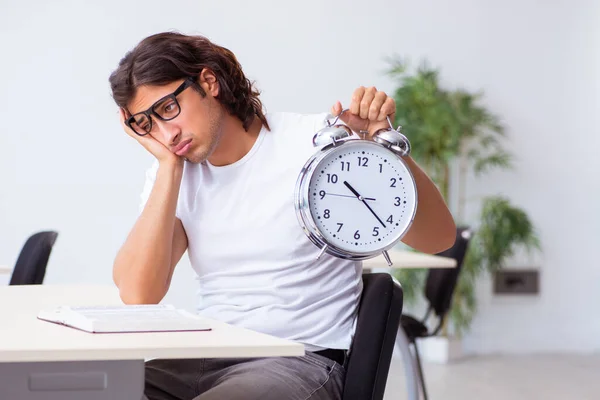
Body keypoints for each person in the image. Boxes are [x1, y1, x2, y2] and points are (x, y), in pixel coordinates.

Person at [109, 31, 456, 400]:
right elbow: (138, 293)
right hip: (203, 357)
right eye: (147, 125)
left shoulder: (318, 143)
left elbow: (438, 238)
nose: (166, 133)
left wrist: (381, 146)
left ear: (208, 83)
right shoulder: (174, 174)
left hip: (296, 360)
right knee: (91, 387)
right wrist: (167, 166)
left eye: (167, 109)